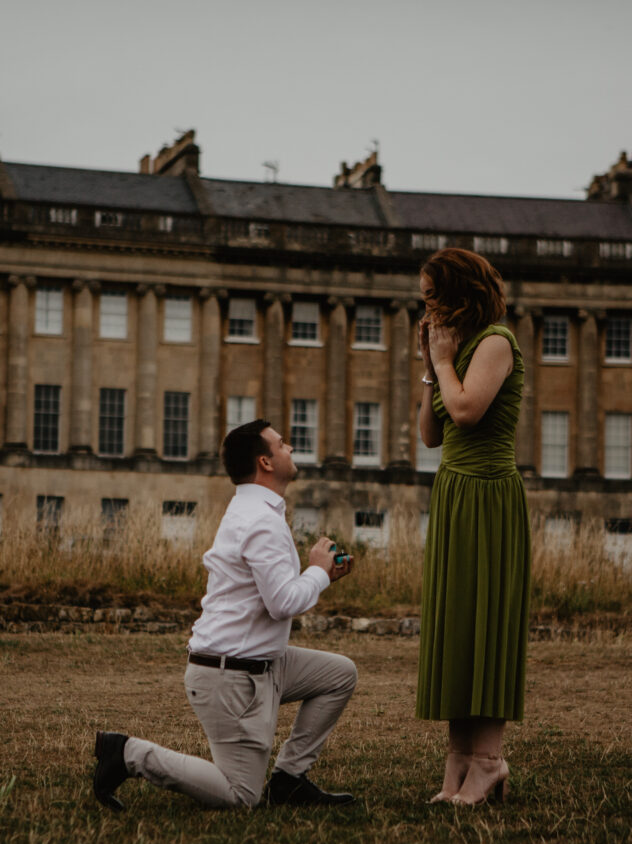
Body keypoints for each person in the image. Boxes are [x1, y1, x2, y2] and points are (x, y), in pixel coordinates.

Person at [93, 419, 358, 812]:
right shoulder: (260, 520)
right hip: (230, 675)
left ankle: (288, 780)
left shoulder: (257, 510)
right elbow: (283, 603)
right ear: (265, 461)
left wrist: (320, 576)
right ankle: (128, 753)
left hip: (264, 664)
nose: (291, 449)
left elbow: (276, 595)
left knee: (339, 674)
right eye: (282, 444)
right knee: (240, 796)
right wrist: (317, 569)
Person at [416, 248, 531, 806]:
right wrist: (428, 366)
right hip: (454, 492)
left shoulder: (495, 343)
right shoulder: (455, 351)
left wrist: (443, 363)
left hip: (488, 496)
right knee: (457, 623)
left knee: (486, 622)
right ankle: (459, 761)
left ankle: (488, 760)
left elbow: (465, 412)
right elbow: (430, 435)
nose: (428, 308)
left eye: (434, 297)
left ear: (461, 294)